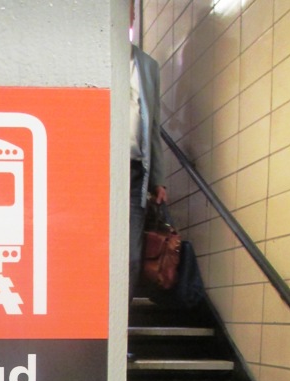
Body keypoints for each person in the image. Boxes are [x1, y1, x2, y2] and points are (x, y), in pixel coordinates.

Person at [129, 0, 167, 303]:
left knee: (131, 253)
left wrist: (158, 180)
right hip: (96, 168)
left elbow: (153, 126)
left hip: (134, 172)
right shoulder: (93, 57)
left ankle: (121, 324)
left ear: (131, 16)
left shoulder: (148, 66)